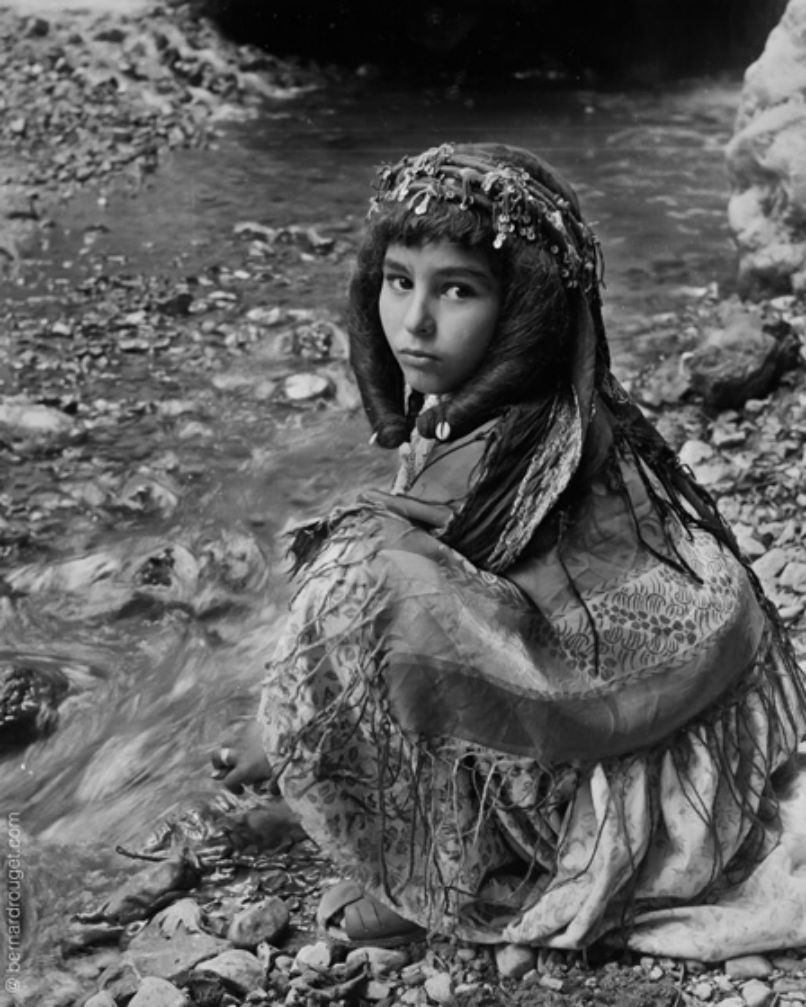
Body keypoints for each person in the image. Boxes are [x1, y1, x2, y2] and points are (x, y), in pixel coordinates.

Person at [213, 143, 806, 954]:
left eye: (456, 289)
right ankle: (347, 790)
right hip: (628, 660)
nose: (414, 322)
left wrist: (285, 722)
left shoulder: (528, 433)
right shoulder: (495, 404)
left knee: (363, 581)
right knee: (378, 575)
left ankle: (442, 868)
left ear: (522, 310)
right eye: (398, 282)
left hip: (626, 695)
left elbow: (445, 619)